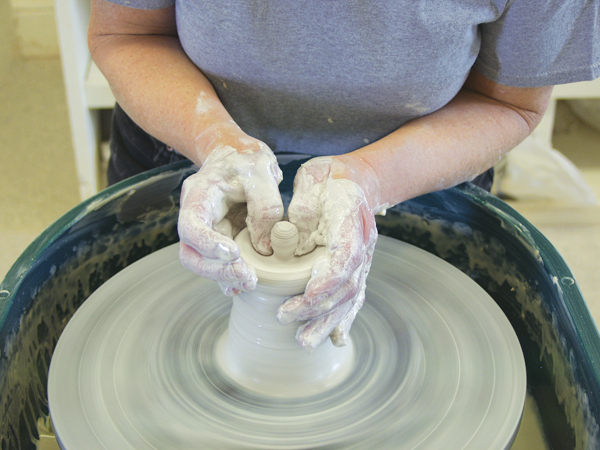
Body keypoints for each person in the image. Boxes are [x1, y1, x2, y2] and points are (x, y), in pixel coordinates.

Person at [88, 0, 599, 352]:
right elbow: (129, 32)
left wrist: (370, 178)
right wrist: (216, 142)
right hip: (188, 150)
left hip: (415, 172)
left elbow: (508, 102)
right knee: (124, 341)